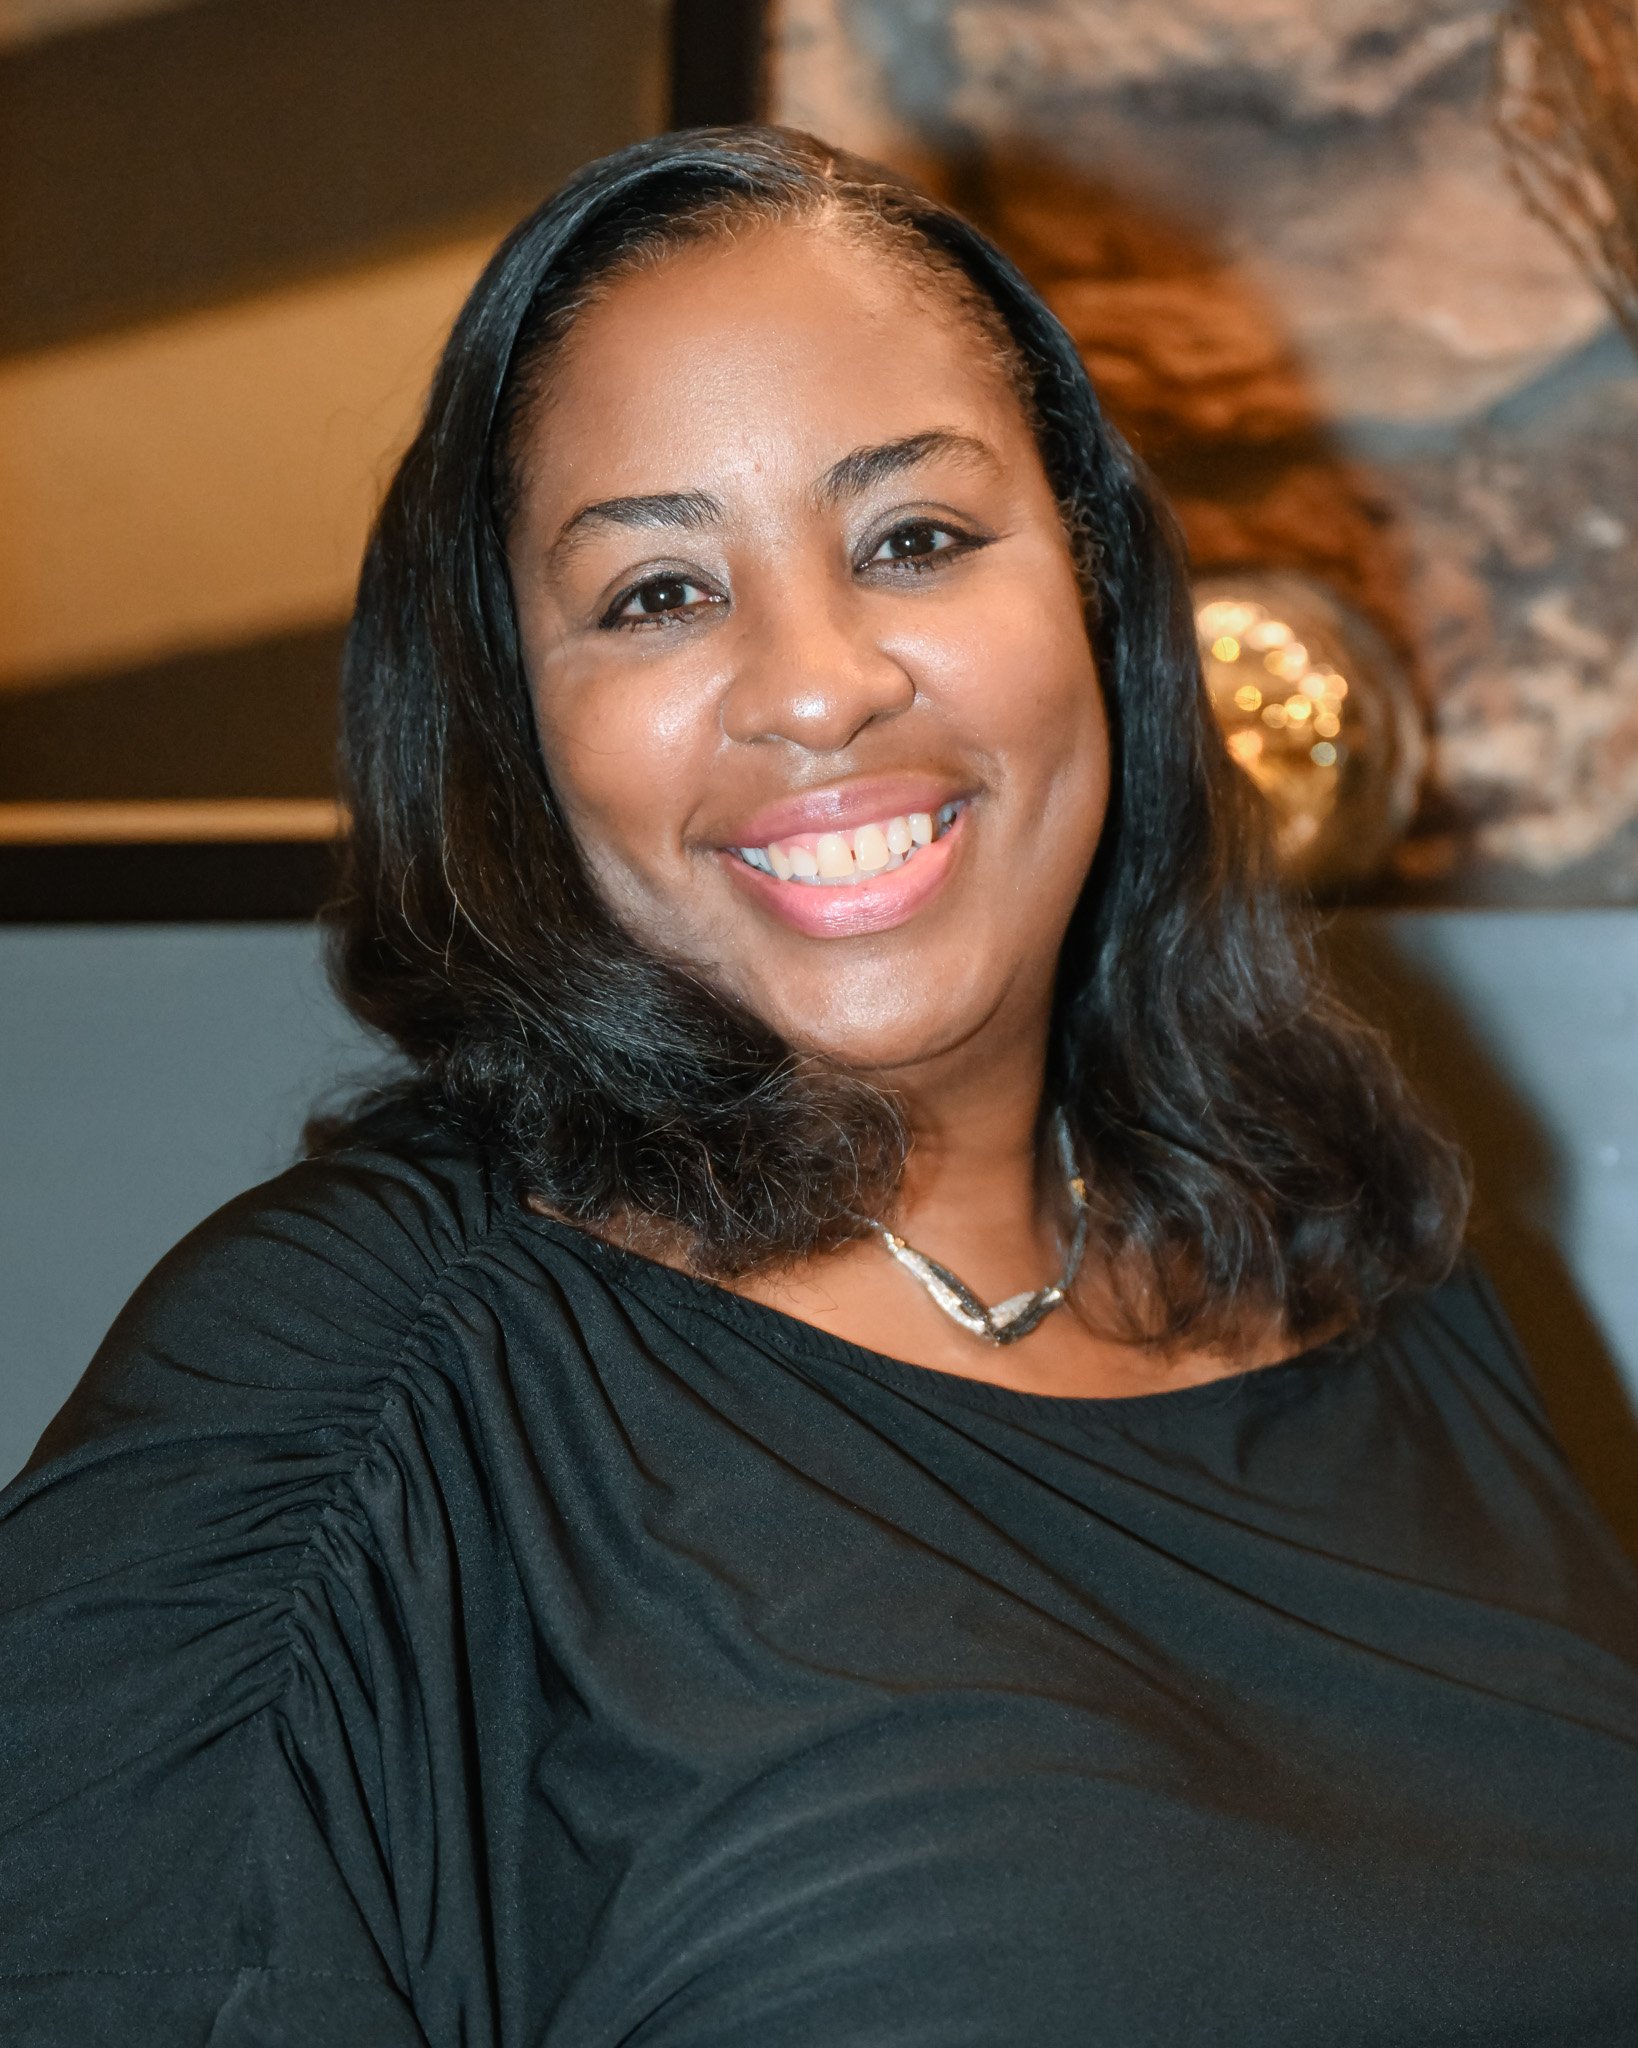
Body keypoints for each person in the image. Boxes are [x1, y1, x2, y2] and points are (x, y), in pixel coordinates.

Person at [1, 125, 1635, 2046]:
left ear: (1095, 598)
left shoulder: (1377, 1287)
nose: (817, 681)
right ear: (515, 727)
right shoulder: (355, 1384)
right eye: (657, 595)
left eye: (913, 541)